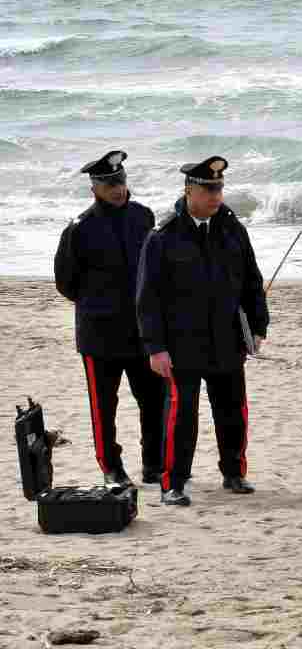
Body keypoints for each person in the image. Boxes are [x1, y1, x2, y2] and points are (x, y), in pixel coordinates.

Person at [136, 156, 269, 506]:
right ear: (189, 191)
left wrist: (258, 326)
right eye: (208, 190)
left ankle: (234, 473)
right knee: (182, 417)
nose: (215, 196)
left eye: (219, 189)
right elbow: (147, 298)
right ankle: (173, 483)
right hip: (183, 344)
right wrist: (155, 347)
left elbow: (252, 282)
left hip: (226, 339)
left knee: (233, 411)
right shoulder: (163, 236)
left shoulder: (232, 229)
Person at [53, 150, 163, 488]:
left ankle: (154, 464)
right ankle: (111, 467)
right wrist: (98, 304)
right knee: (104, 408)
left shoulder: (143, 217)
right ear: (94, 188)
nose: (117, 188)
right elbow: (65, 282)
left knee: (154, 401)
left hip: (142, 332)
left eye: (120, 181)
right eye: (109, 183)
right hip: (99, 335)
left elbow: (156, 271)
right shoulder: (80, 229)